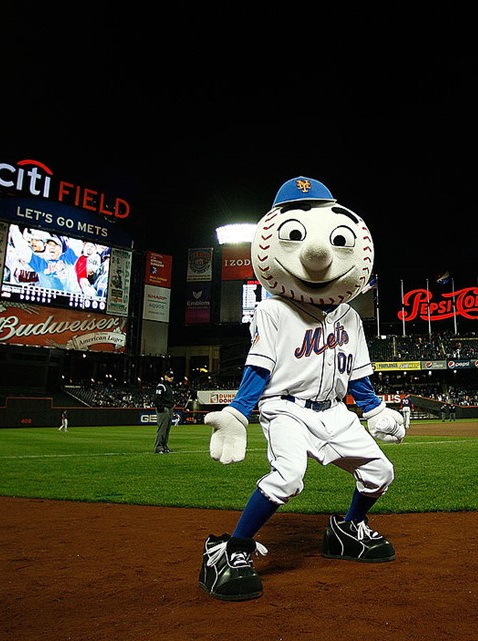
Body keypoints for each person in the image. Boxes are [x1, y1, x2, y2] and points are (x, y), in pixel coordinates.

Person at [199, 176, 405, 601]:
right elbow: (259, 367)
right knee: (290, 476)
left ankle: (347, 529)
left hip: (333, 411)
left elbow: (359, 374)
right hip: (287, 409)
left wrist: (374, 409)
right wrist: (238, 412)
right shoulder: (273, 311)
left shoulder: (349, 317)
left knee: (381, 473)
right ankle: (231, 549)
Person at [154, 370, 178, 453]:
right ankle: (158, 446)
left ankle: (164, 445)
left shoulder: (168, 387)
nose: (171, 378)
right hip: (164, 409)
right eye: (169, 376)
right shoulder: (161, 386)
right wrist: (161, 408)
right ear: (165, 377)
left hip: (169, 409)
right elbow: (157, 398)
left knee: (167, 429)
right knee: (162, 429)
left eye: (172, 376)